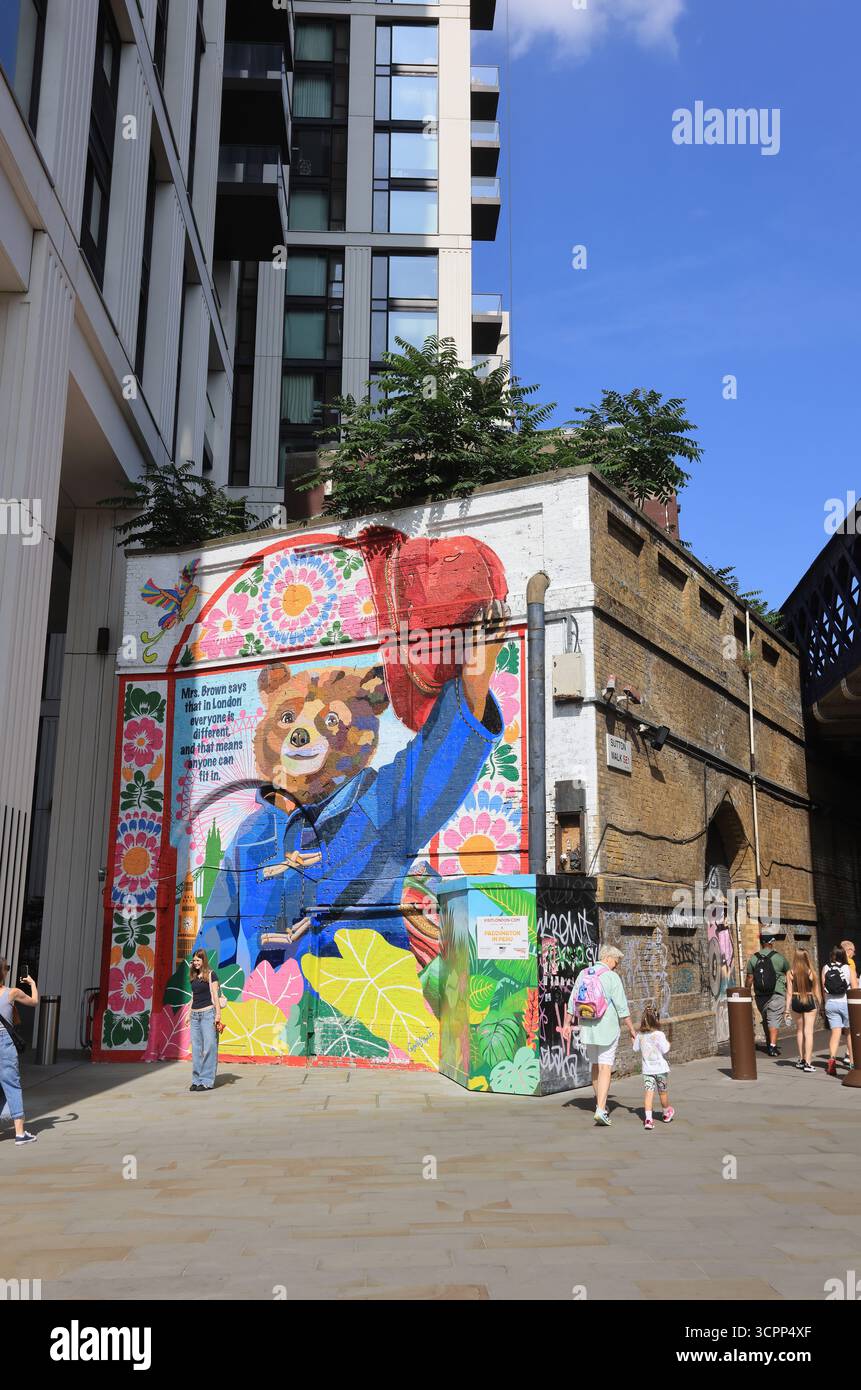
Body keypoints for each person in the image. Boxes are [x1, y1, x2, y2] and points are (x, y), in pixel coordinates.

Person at [561, 945, 637, 1127]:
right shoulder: (612, 977)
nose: (616, 965)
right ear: (609, 958)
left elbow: (572, 1001)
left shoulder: (584, 973)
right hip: (607, 1029)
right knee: (605, 1067)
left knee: (595, 1065)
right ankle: (601, 1110)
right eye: (616, 961)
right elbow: (622, 1008)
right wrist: (632, 1029)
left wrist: (566, 1024)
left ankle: (599, 1104)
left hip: (587, 1028)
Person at [0, 958, 39, 1144]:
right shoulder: (11, 992)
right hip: (4, 1044)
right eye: (7, 968)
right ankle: (20, 1133)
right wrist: (31, 983)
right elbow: (34, 1001)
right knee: (12, 1086)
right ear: (4, 972)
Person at [745, 929, 790, 1056]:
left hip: (760, 996)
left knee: (766, 1019)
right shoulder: (779, 958)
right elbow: (789, 974)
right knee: (774, 1019)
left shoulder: (754, 959)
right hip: (777, 994)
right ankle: (772, 1046)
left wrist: (746, 992)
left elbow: (749, 978)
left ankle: (769, 1040)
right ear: (772, 942)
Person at [632, 1004, 674, 1129]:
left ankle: (648, 1120)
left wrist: (633, 1039)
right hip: (660, 1069)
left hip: (647, 1071)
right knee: (663, 1093)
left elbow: (635, 1049)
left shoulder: (640, 1035)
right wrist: (668, 1043)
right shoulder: (659, 1034)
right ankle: (666, 1112)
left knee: (648, 1094)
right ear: (656, 1020)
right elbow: (665, 1049)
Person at [189, 950, 222, 1092]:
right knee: (196, 1049)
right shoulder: (194, 976)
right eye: (194, 960)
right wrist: (187, 1015)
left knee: (209, 1047)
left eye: (198, 960)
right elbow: (193, 997)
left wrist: (218, 1014)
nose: (196, 963)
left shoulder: (210, 974)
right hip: (195, 1016)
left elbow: (215, 995)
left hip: (208, 1014)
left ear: (204, 960)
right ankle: (196, 1080)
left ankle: (207, 1081)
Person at [784, 948, 820, 1072]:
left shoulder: (790, 973)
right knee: (808, 1032)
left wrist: (787, 1010)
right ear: (806, 957)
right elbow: (816, 991)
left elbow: (788, 993)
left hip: (795, 1000)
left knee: (799, 1031)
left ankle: (801, 1059)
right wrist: (821, 1004)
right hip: (809, 999)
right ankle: (808, 1063)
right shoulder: (811, 972)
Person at [822, 945, 856, 1077]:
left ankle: (831, 1060)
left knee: (835, 1033)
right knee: (849, 1034)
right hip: (845, 1003)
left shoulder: (825, 968)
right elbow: (854, 989)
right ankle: (853, 1064)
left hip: (830, 1004)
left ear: (832, 955)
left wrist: (825, 1005)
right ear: (843, 955)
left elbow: (824, 987)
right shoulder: (848, 968)